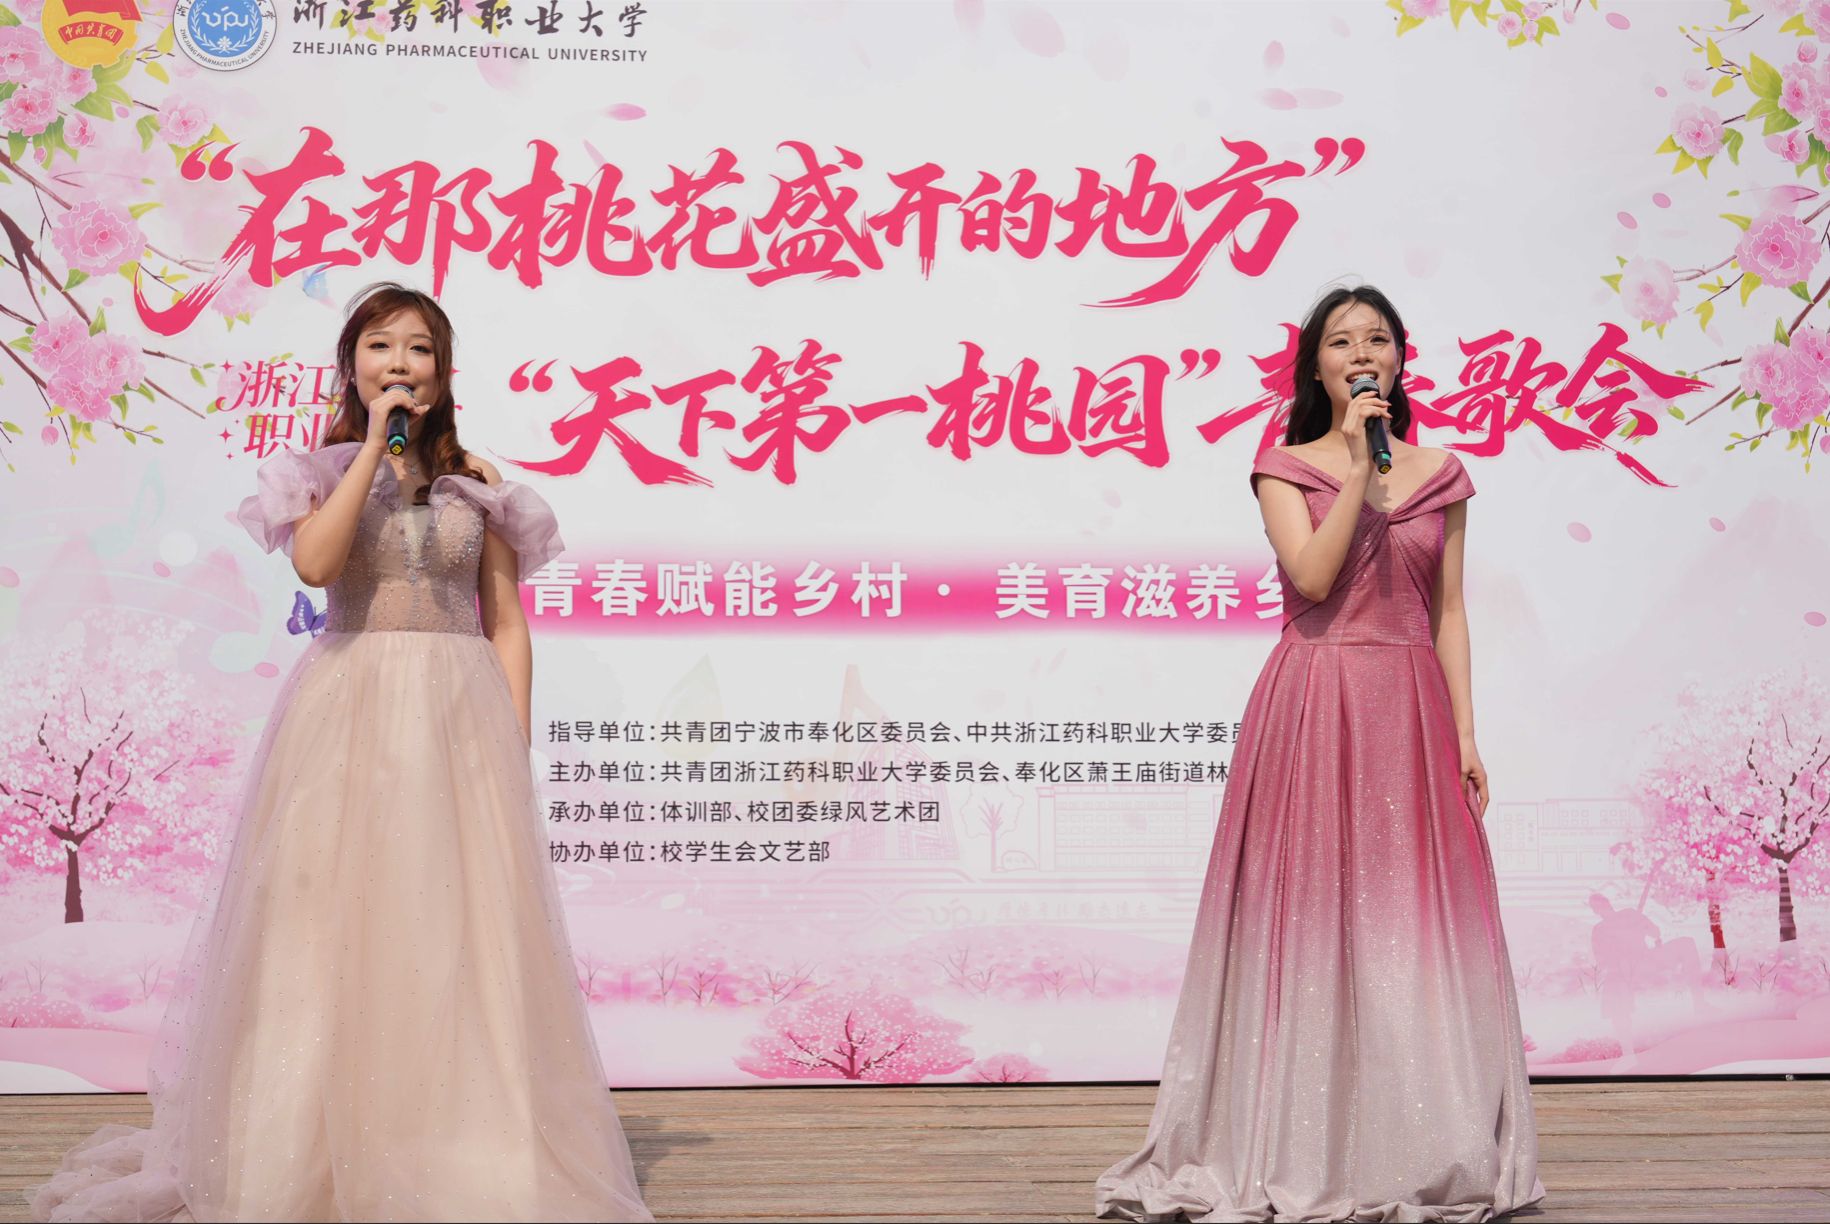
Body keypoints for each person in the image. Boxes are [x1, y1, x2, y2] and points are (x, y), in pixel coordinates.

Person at [30, 283, 652, 1223]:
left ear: (445, 372)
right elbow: (317, 566)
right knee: (327, 922)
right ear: (351, 364)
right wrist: (371, 451)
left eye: (419, 349)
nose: (400, 364)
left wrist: (511, 739)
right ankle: (312, 1147)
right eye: (380, 346)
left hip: (458, 719)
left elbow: (507, 622)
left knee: (451, 925)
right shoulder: (314, 473)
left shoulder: (479, 480)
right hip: (350, 710)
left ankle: (455, 1139)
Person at [1095, 285, 1543, 1222]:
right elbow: (1311, 575)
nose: (1361, 353)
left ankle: (1418, 1136)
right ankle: (1300, 1140)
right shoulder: (1284, 467)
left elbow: (1449, 610)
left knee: (1410, 923)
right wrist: (1355, 469)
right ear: (1317, 366)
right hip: (1314, 700)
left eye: (1376, 338)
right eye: (1341, 342)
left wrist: (1466, 733)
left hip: (1410, 707)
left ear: (1401, 357)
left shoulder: (1441, 472)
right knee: (1314, 918)